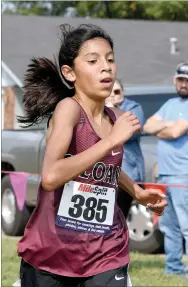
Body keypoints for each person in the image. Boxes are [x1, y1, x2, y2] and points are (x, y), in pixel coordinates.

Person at [16, 24, 167, 287]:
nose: (106, 67)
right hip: (53, 253)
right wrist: (110, 140)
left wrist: (138, 192)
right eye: (93, 61)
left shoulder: (115, 119)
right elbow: (51, 176)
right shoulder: (69, 110)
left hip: (106, 251)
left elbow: (105, 168)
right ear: (69, 72)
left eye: (110, 59)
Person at [144, 62, 188, 278]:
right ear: (175, 80)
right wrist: (168, 126)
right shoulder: (170, 103)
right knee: (169, 226)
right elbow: (148, 126)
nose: (184, 84)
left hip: (184, 176)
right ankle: (173, 268)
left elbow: (175, 133)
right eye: (181, 79)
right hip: (165, 175)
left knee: (187, 226)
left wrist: (164, 127)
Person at [105, 78, 145, 216]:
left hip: (127, 171)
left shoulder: (133, 108)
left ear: (123, 92)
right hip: (104, 171)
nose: (113, 95)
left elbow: (130, 133)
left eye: (117, 91)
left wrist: (111, 109)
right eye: (110, 91)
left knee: (119, 214)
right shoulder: (98, 108)